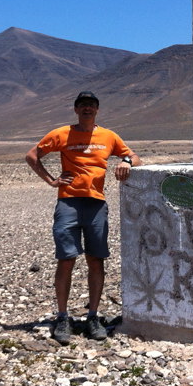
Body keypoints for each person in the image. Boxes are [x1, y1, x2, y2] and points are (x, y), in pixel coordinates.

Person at [25, 91, 142, 344]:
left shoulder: (108, 136)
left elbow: (134, 156)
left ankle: (93, 316)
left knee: (96, 259)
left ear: (97, 110)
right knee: (66, 259)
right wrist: (51, 181)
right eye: (82, 105)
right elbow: (32, 155)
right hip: (68, 202)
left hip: (97, 204)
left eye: (91, 105)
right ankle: (63, 317)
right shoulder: (61, 134)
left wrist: (126, 162)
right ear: (76, 110)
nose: (87, 109)